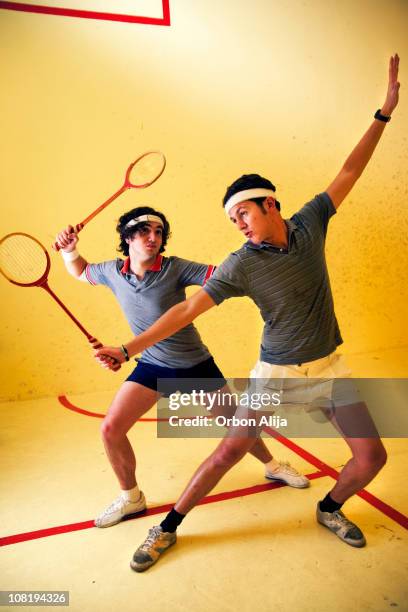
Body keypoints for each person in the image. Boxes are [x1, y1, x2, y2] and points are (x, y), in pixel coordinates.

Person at [95, 55, 400, 571]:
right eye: (231, 218)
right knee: (227, 453)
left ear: (271, 205)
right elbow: (187, 309)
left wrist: (384, 113)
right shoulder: (239, 265)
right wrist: (128, 349)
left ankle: (329, 507)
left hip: (329, 367)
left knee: (372, 458)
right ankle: (165, 527)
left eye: (243, 213)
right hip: (275, 373)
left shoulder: (310, 224)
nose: (238, 223)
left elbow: (349, 170)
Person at [55, 206, 308, 529]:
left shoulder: (175, 268)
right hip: (150, 366)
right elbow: (79, 271)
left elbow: (226, 275)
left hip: (194, 363)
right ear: (127, 237)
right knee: (110, 429)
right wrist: (69, 248)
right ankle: (131, 498)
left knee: (237, 427)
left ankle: (273, 465)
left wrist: (270, 261)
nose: (153, 238)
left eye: (159, 233)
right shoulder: (111, 272)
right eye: (145, 231)